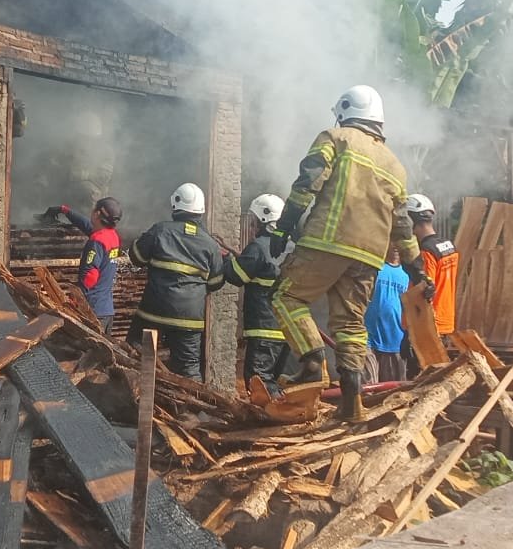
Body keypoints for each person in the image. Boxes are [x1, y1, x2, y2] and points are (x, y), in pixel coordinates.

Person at [270, 85, 427, 423]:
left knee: (286, 297)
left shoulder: (335, 137)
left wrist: (283, 228)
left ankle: (312, 362)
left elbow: (307, 184)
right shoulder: (396, 166)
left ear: (344, 111)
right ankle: (352, 402)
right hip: (368, 258)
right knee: (351, 325)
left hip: (327, 242)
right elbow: (402, 225)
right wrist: (416, 267)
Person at [128, 183, 226, 381]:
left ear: (175, 205)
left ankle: (137, 394)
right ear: (200, 210)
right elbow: (216, 282)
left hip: (153, 312)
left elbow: (136, 257)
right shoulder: (210, 244)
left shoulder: (160, 230)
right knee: (188, 369)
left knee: (137, 354)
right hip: (189, 317)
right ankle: (193, 401)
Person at [224, 194, 293, 392]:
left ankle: (268, 412)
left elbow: (236, 276)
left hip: (265, 329)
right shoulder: (291, 247)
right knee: (275, 381)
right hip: (288, 331)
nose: (252, 226)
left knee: (259, 383)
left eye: (253, 221)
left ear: (261, 220)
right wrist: (238, 255)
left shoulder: (259, 247)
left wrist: (225, 259)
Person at [42, 197, 124, 334]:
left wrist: (75, 299)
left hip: (92, 312)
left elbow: (90, 276)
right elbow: (87, 226)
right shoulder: (112, 236)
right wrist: (65, 211)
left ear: (97, 214)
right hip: (106, 311)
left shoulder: (96, 242)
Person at [406, 195, 458, 338]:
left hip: (428, 325)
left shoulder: (426, 251)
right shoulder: (449, 246)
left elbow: (424, 290)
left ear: (410, 220)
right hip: (445, 319)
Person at [365, 248, 410, 383]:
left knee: (394, 389)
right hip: (368, 339)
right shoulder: (374, 268)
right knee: (367, 388)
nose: (396, 247)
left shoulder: (408, 275)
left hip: (395, 341)